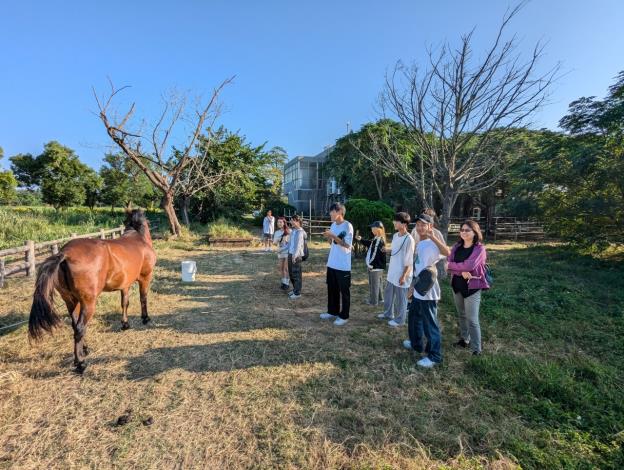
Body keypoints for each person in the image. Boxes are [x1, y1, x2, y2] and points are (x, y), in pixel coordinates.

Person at [404, 213, 451, 368]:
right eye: (418, 225)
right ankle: (416, 344)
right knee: (413, 317)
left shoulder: (432, 243)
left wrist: (433, 237)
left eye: (424, 224)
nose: (420, 227)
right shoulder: (420, 243)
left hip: (428, 290)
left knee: (429, 324)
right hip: (418, 286)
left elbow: (447, 253)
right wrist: (411, 286)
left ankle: (434, 356)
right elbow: (417, 267)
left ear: (430, 226)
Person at [447, 220, 490, 355]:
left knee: (472, 320)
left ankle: (477, 349)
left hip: (472, 288)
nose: (464, 232)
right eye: (462, 230)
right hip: (457, 286)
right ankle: (465, 340)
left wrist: (455, 267)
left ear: (475, 232)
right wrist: (460, 270)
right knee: (462, 315)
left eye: (467, 230)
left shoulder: (480, 249)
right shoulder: (456, 247)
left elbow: (469, 266)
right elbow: (448, 263)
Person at [320, 203, 354, 326]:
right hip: (332, 263)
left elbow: (346, 245)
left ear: (339, 212)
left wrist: (333, 235)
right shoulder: (333, 224)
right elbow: (332, 243)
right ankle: (332, 312)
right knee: (332, 289)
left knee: (344, 292)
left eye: (332, 211)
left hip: (343, 265)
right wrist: (328, 237)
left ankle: (344, 316)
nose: (330, 214)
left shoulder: (347, 226)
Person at [379, 212, 415, 327]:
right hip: (392, 271)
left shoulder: (409, 239)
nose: (394, 223)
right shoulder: (395, 236)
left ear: (404, 224)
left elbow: (409, 261)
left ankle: (400, 320)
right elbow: (395, 251)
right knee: (388, 294)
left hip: (402, 273)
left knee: (401, 298)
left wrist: (404, 276)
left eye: (397, 221)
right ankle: (388, 313)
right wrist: (387, 250)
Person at [356, 221, 386, 306]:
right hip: (377, 266)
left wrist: (371, 265)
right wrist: (361, 239)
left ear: (377, 229)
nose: (371, 229)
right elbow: (369, 243)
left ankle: (373, 302)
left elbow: (375, 254)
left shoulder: (379, 240)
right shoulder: (377, 238)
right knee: (378, 283)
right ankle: (380, 299)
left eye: (373, 228)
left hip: (375, 266)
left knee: (374, 285)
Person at [411, 207, 447, 279]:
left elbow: (444, 252)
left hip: (430, 267)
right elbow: (412, 247)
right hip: (416, 262)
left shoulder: (436, 233)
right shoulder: (415, 231)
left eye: (430, 216)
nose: (420, 226)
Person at [287, 215, 306, 300]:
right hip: (290, 254)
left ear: (298, 221)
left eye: (293, 221)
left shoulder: (300, 232)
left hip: (296, 256)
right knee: (291, 273)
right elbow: (290, 243)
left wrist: (294, 256)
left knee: (296, 274)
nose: (291, 222)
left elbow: (298, 246)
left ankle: (297, 293)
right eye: (291, 221)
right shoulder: (293, 231)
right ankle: (295, 290)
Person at [273, 217, 290, 290]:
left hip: (287, 252)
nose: (279, 223)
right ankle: (283, 282)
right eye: (278, 222)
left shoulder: (289, 231)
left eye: (280, 222)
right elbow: (274, 243)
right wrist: (277, 240)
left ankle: (287, 283)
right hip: (280, 252)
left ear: (284, 223)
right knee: (281, 268)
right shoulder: (276, 232)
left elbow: (290, 244)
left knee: (286, 268)